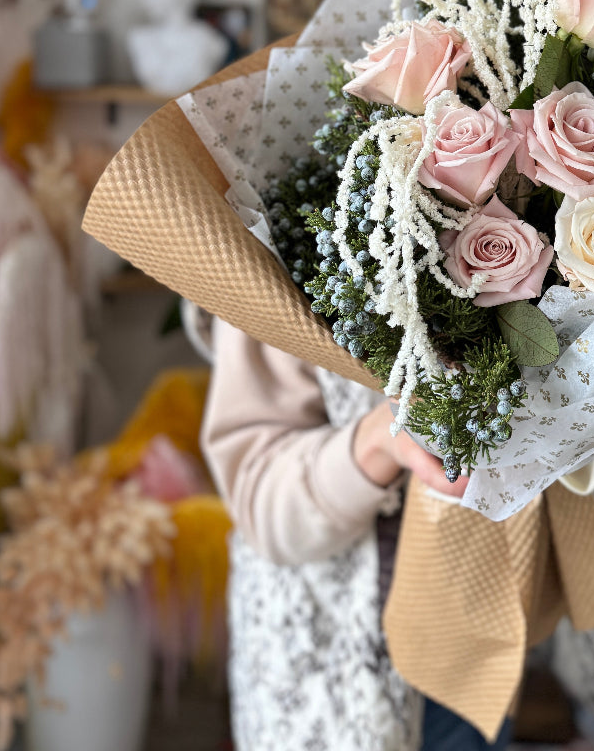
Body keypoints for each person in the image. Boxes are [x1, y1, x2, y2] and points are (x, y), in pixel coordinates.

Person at [199, 315, 516, 751]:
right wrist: (380, 442)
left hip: (485, 641)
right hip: (339, 676)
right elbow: (259, 499)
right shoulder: (263, 265)